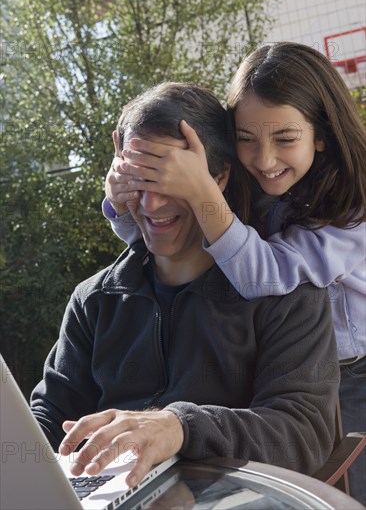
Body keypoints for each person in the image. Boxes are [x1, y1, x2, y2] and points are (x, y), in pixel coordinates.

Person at [31, 82, 339, 490]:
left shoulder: (288, 293)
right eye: (139, 180)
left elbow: (303, 432)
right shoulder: (95, 300)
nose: (151, 205)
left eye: (169, 181)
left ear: (219, 177)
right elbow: (50, 414)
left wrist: (181, 426)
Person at [103, 43, 366, 504]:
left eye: (285, 138)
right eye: (246, 138)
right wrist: (127, 197)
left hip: (352, 377)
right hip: (289, 370)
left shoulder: (353, 214)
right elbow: (177, 239)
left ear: (320, 135)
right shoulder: (265, 182)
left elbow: (264, 276)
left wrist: (201, 188)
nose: (264, 159)